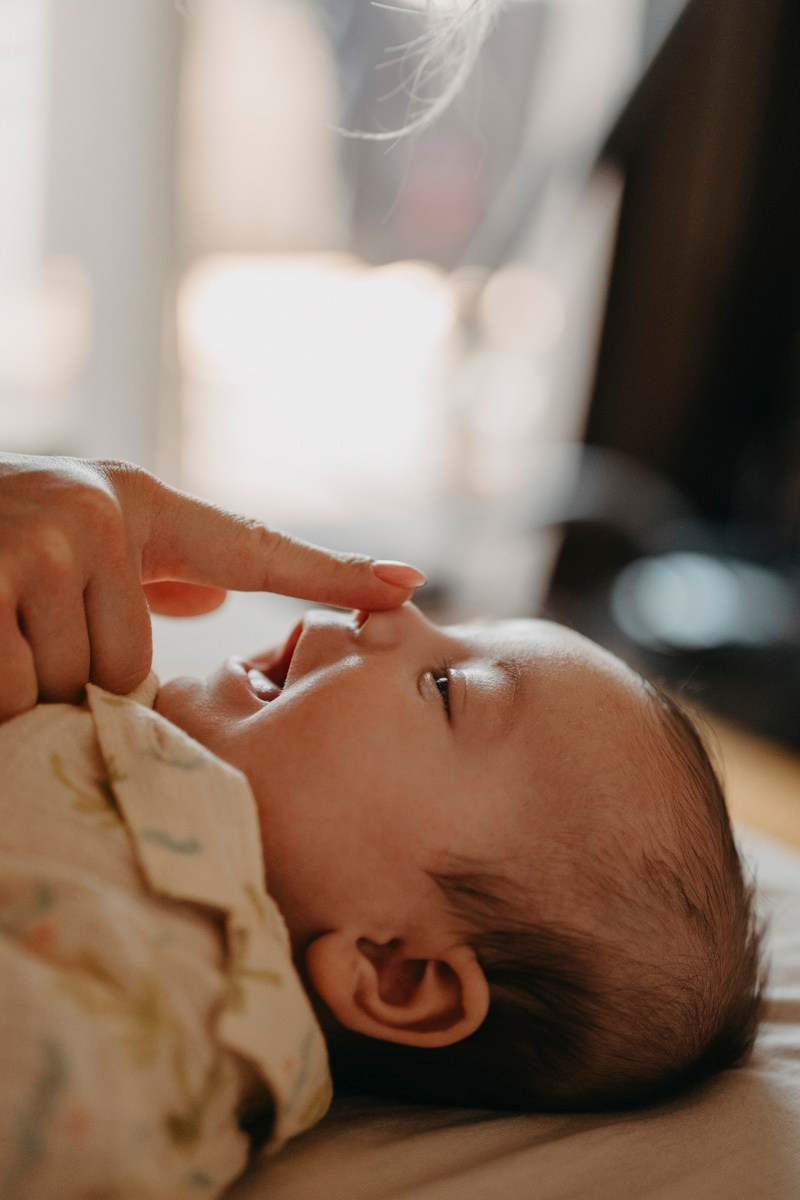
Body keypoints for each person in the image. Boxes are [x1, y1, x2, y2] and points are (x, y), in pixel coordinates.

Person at [0, 565, 764, 1197]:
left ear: (395, 971)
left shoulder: (149, 1036)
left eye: (444, 687)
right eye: (449, 622)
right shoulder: (119, 704)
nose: (390, 612)